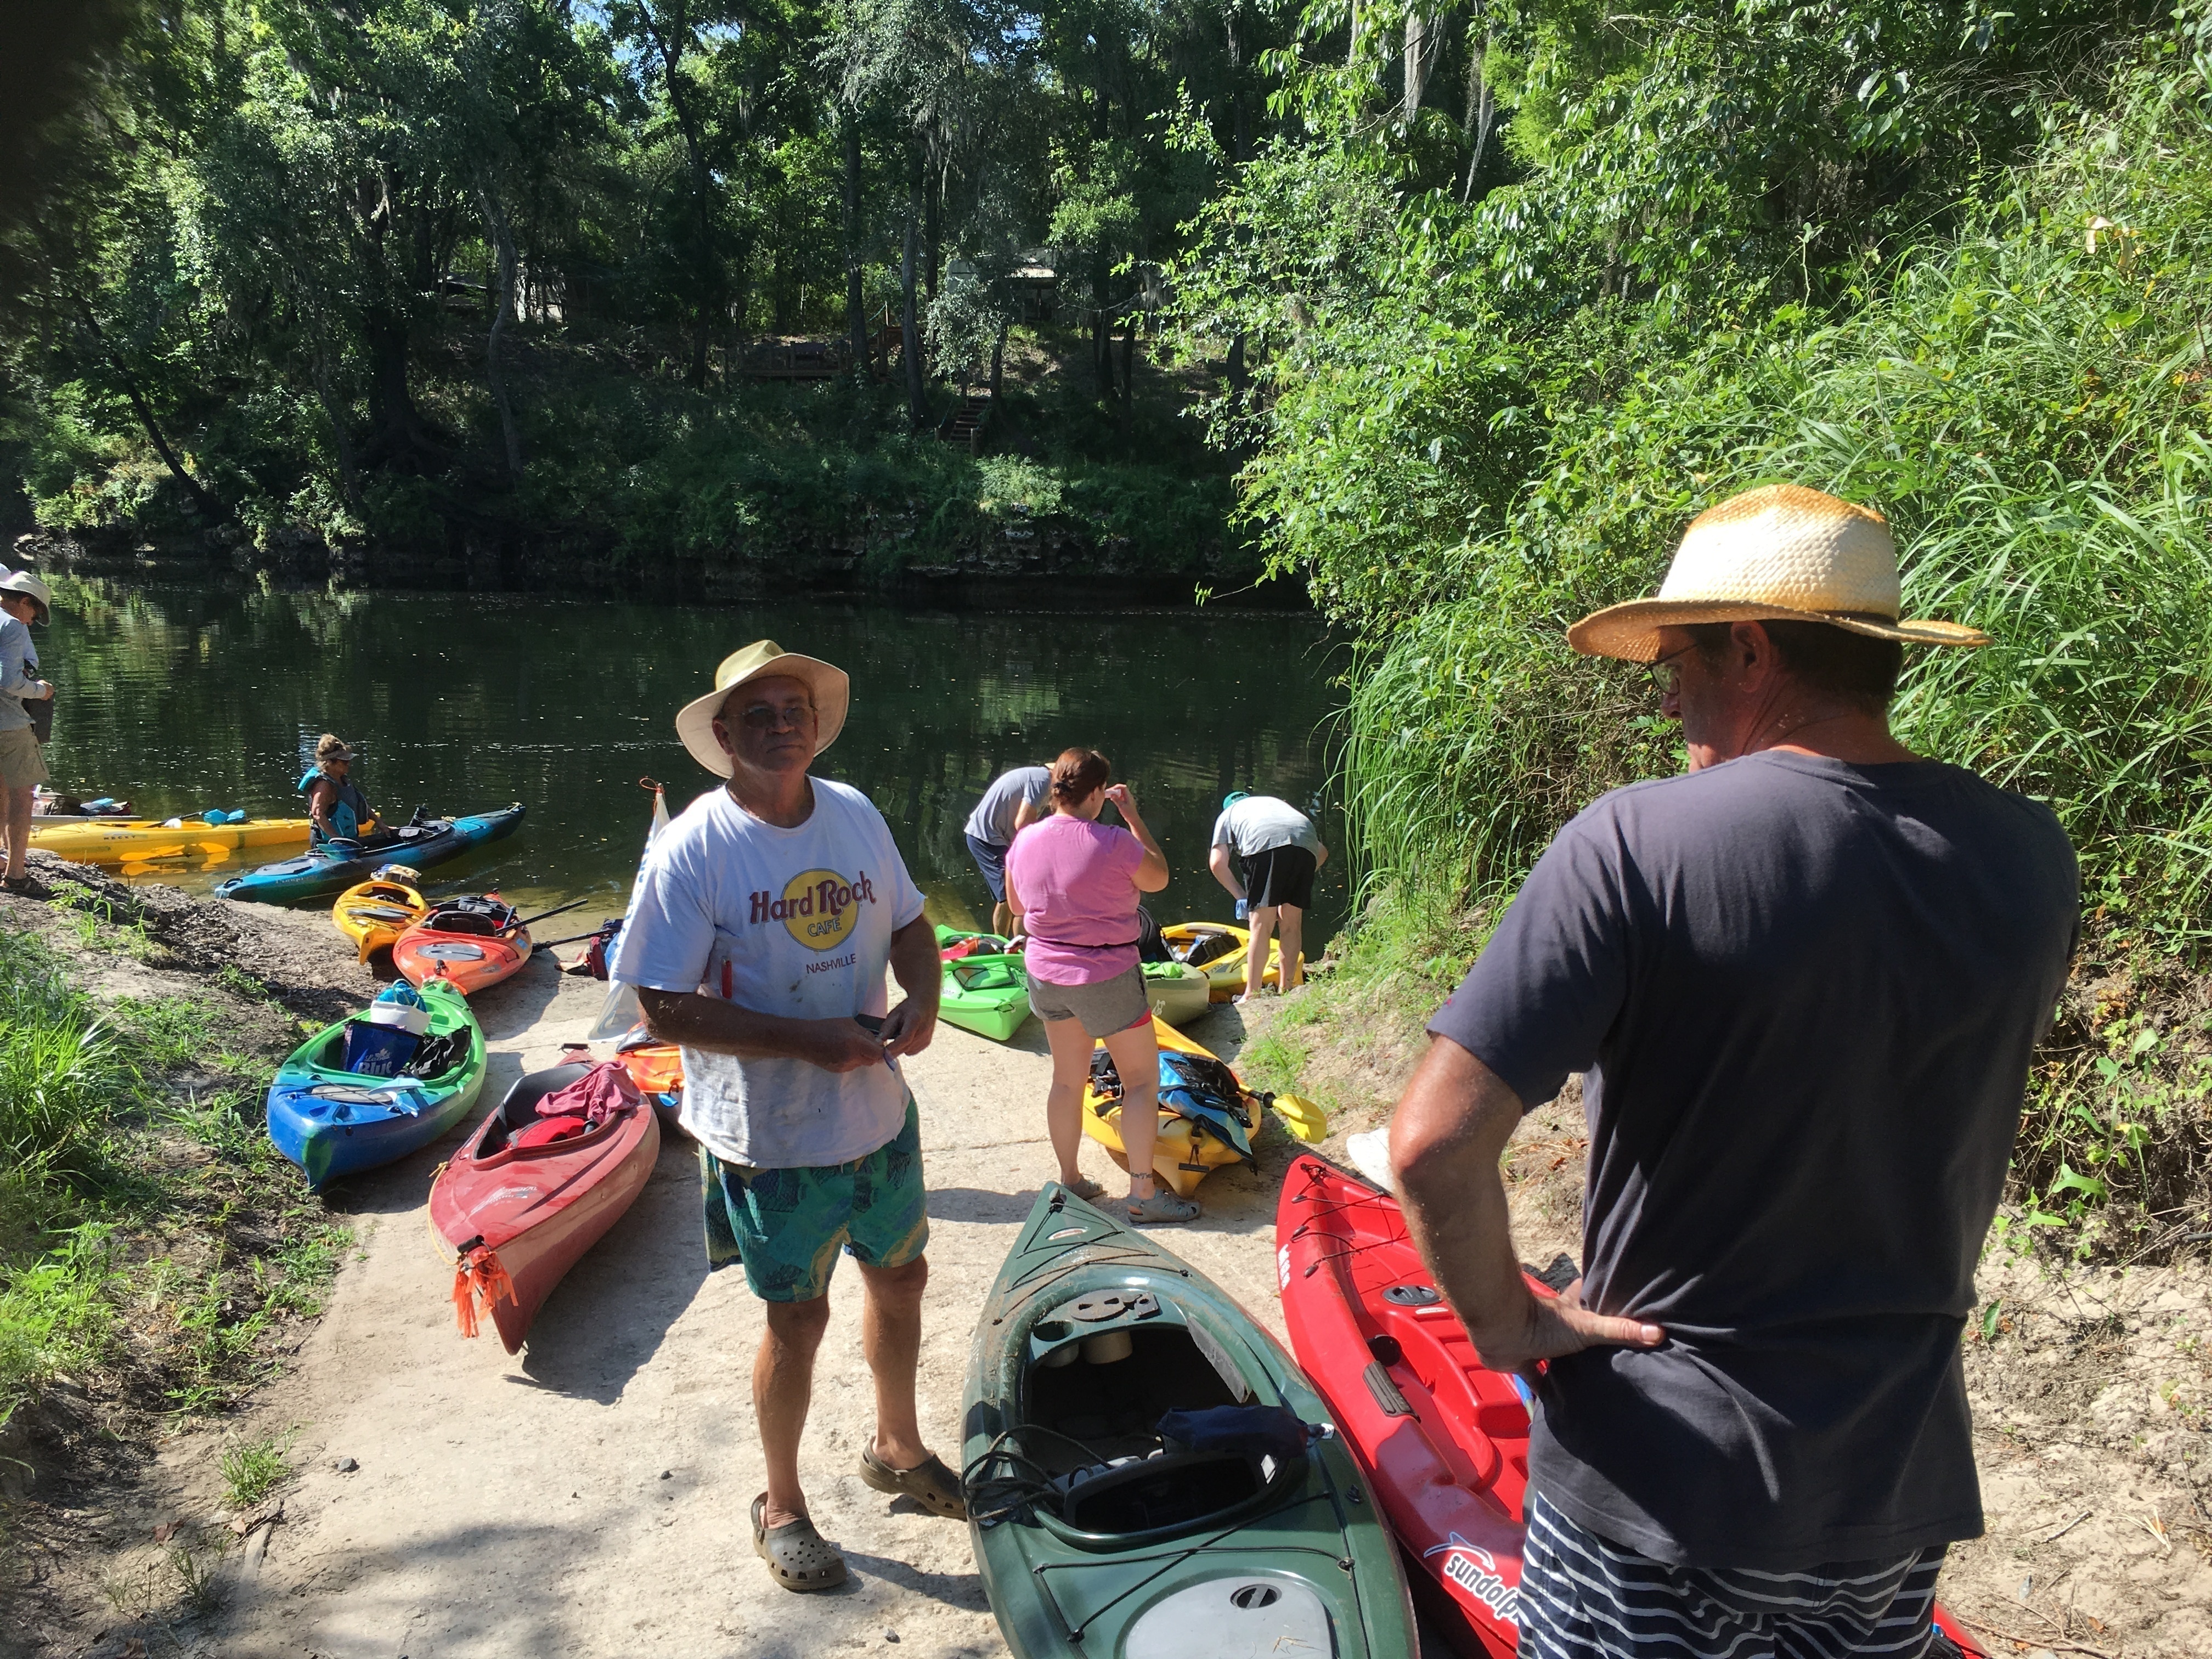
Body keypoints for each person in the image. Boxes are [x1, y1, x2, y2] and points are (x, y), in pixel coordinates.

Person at [1385, 484, 2079, 1659]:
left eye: (1679, 657)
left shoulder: (1635, 844)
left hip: (1659, 1484)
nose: (1664, 695)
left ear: (1752, 650)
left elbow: (1433, 1143)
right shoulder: (2029, 856)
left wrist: (1508, 1327)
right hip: (1890, 1490)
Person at [610, 639, 961, 1595]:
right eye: (756, 714)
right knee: (796, 1318)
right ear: (722, 735)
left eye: (792, 709)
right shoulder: (695, 846)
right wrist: (806, 1040)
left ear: (816, 723)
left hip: (878, 1111)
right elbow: (660, 1006)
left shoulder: (852, 813)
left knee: (903, 1276)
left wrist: (923, 997)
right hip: (769, 1138)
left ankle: (896, 1446)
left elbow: (910, 925)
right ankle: (778, 1505)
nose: (778, 726)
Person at [1004, 748, 1194, 1223]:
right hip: (1106, 975)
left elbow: (1016, 906)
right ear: (1096, 794)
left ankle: (1070, 1180)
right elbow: (1159, 877)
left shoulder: (1024, 841)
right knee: (1142, 1081)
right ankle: (1143, 1195)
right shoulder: (1113, 840)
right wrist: (1132, 815)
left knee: (1067, 1081)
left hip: (1045, 974)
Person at [1207, 791, 1328, 1001]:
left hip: (1264, 843)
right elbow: (1323, 852)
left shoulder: (1228, 815)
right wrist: (1299, 876)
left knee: (1261, 925)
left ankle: (1251, 995)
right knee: (1291, 925)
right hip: (1305, 843)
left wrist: (1241, 896)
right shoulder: (1275, 804)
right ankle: (1287, 988)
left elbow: (1217, 863)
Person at [0, 570, 56, 895]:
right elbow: (9, 682)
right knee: (22, 795)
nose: (32, 621)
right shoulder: (12, 626)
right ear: (24, 602)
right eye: (34, 613)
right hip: (8, 723)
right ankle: (16, 875)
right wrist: (40, 691)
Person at [963, 762, 1051, 939]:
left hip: (1000, 838)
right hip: (987, 838)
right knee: (1008, 895)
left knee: (1021, 894)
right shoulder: (1043, 780)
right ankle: (1001, 946)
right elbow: (1023, 824)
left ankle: (1017, 946)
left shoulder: (1044, 780)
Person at [301, 734, 376, 844]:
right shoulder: (324, 785)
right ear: (330, 762)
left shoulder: (344, 780)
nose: (349, 763)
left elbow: (360, 804)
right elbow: (318, 813)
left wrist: (380, 824)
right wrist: (337, 840)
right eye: (344, 761)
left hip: (348, 841)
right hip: (328, 845)